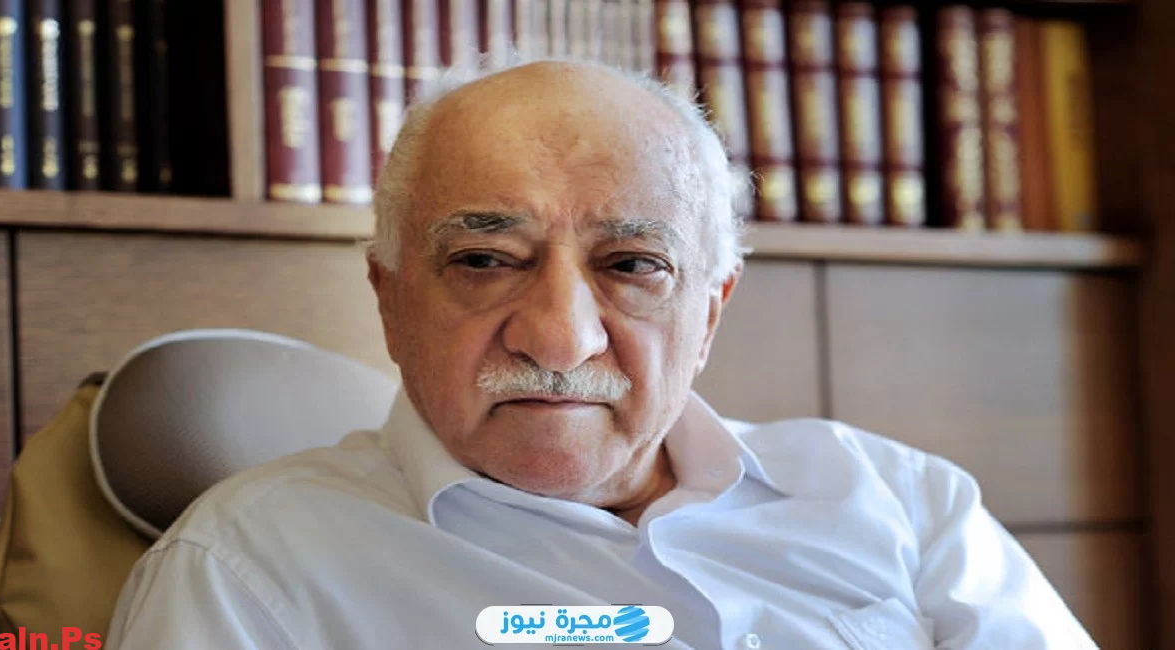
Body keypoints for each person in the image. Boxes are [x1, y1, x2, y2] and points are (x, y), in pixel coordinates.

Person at [104, 60, 1095, 649]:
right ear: (391, 296)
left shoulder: (902, 502)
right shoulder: (246, 572)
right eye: (486, 259)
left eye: (631, 264)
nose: (561, 335)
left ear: (710, 312)